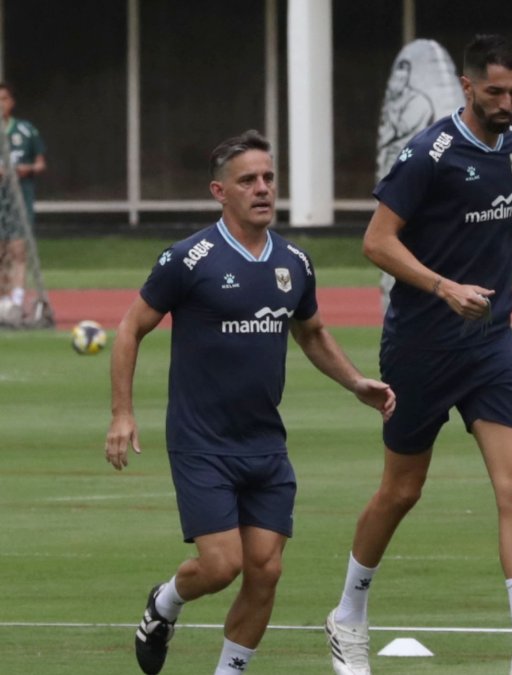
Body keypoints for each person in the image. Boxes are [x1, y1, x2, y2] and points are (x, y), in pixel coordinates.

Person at [323, 35, 512, 675]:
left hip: (490, 341)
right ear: (467, 88)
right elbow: (376, 242)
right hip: (421, 346)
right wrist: (442, 286)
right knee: (402, 490)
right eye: (494, 91)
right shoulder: (428, 154)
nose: (507, 103)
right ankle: (347, 614)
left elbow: (489, 215)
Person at [104, 130, 395, 675]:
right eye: (248, 181)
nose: (263, 189)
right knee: (221, 566)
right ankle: (164, 602)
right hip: (201, 443)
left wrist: (356, 382)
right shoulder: (189, 259)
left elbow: (311, 333)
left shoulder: (294, 262)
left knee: (266, 572)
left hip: (265, 445)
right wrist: (122, 412)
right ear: (220, 191)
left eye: (268, 178)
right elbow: (129, 329)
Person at [0, 82, 46, 311]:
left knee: (18, 249)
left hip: (20, 198)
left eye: (4, 99)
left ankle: (16, 300)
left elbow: (40, 163)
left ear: (12, 102)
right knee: (1, 252)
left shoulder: (25, 130)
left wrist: (26, 169)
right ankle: (3, 298)